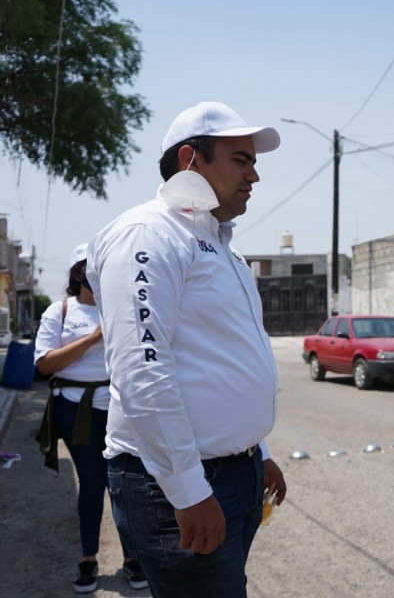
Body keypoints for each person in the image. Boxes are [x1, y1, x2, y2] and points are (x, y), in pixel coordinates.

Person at [85, 102, 287, 597]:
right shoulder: (149, 234)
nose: (254, 175)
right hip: (173, 482)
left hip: (232, 473)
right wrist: (189, 490)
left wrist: (254, 451)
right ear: (190, 160)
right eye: (241, 160)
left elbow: (221, 359)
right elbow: (142, 372)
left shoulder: (222, 246)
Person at [34, 243, 148, 594]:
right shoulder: (61, 311)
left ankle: (132, 559)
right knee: (93, 480)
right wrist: (93, 338)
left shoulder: (121, 307)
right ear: (78, 273)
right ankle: (88, 558)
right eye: (90, 268)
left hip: (117, 406)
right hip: (74, 407)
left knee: (123, 482)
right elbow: (44, 364)